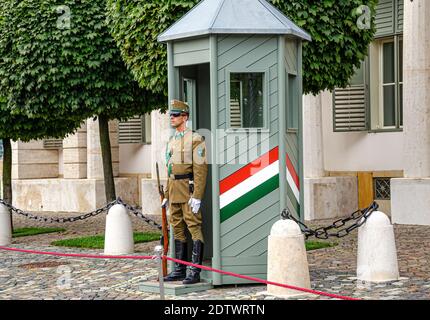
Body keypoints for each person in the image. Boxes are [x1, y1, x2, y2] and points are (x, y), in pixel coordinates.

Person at [161, 99, 208, 284]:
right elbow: (170, 170)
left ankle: (194, 271)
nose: (171, 118)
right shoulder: (171, 141)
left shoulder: (196, 139)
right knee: (177, 227)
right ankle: (180, 268)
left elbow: (201, 171)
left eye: (175, 115)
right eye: (171, 115)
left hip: (187, 190)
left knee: (193, 226)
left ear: (185, 117)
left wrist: (197, 196)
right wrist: (165, 194)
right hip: (173, 190)